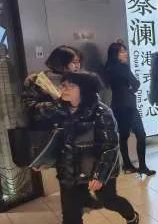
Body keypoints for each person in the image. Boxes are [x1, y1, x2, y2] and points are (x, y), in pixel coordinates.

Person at [49, 71, 141, 224]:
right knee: (70, 213)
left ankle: (132, 217)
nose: (64, 90)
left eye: (70, 86)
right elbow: (54, 143)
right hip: (70, 171)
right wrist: (43, 161)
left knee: (109, 201)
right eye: (63, 86)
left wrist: (99, 175)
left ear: (85, 90)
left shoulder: (101, 112)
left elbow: (109, 147)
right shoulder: (59, 111)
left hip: (99, 170)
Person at [23, 46, 102, 209]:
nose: (77, 66)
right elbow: (30, 108)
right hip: (55, 133)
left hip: (81, 132)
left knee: (82, 167)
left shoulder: (79, 79)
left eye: (79, 62)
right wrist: (58, 104)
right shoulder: (37, 80)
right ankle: (72, 208)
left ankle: (84, 196)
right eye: (74, 62)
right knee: (65, 171)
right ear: (61, 62)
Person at [104, 42, 155, 175]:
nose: (125, 53)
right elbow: (136, 83)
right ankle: (142, 166)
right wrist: (131, 88)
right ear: (115, 54)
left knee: (123, 136)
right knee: (141, 135)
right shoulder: (122, 67)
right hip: (128, 105)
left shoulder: (108, 68)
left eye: (125, 50)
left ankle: (127, 165)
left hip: (116, 105)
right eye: (121, 51)